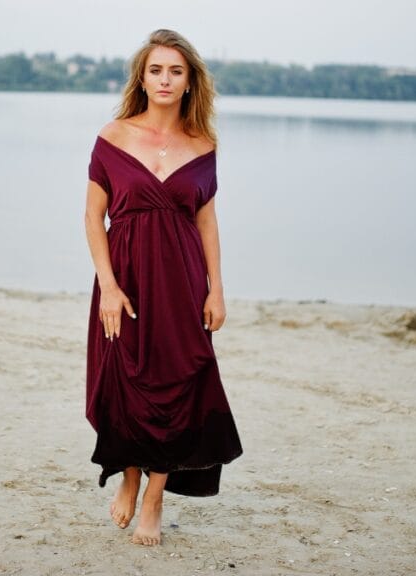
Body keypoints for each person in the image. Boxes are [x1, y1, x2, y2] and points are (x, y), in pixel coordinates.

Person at [83, 29, 243, 546]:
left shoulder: (204, 144)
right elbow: (92, 215)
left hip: (181, 280)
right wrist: (108, 286)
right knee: (124, 380)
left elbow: (207, 221)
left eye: (176, 71)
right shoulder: (113, 136)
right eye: (156, 70)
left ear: (191, 81)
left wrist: (216, 288)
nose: (165, 79)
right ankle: (129, 476)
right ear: (142, 78)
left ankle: (154, 496)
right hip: (124, 277)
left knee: (180, 384)